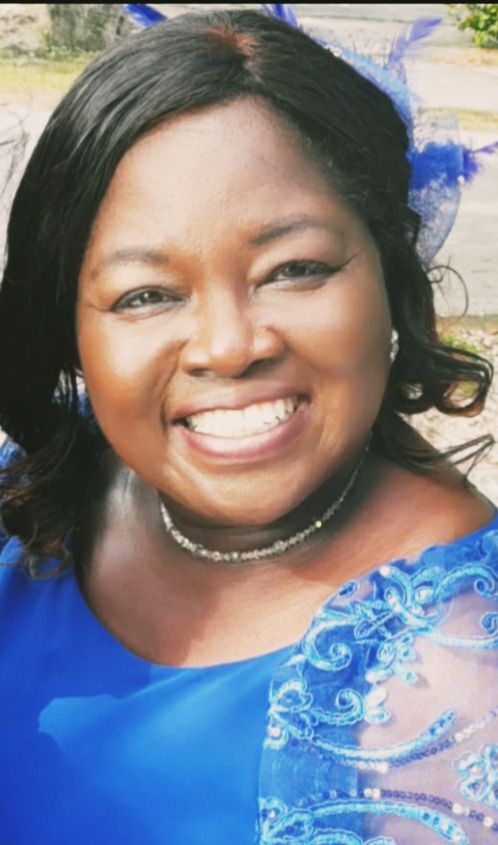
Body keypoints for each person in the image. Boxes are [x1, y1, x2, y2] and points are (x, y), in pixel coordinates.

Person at [0, 6, 496, 844]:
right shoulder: (45, 481)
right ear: (70, 329)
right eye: (145, 294)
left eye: (293, 269)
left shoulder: (462, 681)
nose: (229, 347)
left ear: (390, 272)